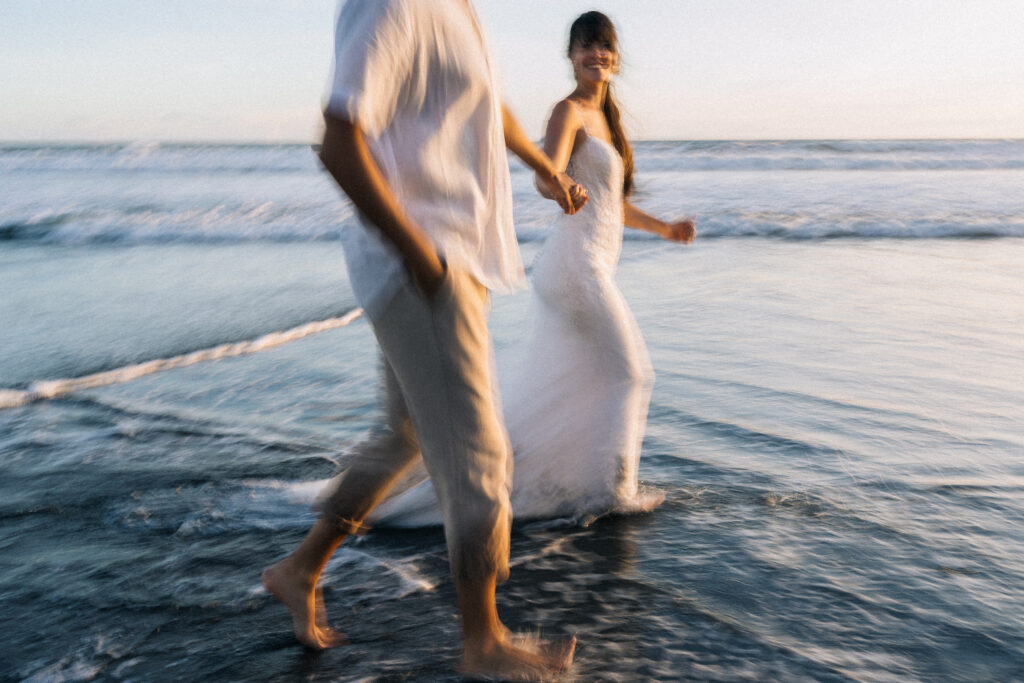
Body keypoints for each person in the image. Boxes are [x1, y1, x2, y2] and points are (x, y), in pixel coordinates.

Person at [261, 0, 585, 679]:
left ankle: (299, 569)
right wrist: (419, 254)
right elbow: (338, 136)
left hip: (447, 258)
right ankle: (484, 641)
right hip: (425, 260)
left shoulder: (457, 9)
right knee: (479, 454)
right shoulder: (394, 4)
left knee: (407, 433)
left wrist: (542, 167)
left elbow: (486, 104)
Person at [368, 11, 696, 528]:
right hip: (574, 269)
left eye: (604, 47)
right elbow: (548, 174)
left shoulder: (608, 120)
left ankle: (556, 483)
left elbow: (612, 207)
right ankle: (610, 494)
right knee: (631, 373)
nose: (596, 56)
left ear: (615, 57)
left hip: (591, 269)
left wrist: (666, 229)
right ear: (571, 57)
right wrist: (558, 187)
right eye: (586, 48)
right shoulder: (567, 112)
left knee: (584, 385)